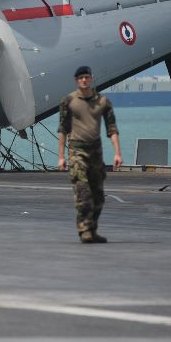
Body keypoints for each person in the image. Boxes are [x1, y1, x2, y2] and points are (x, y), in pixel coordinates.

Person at [57, 65, 122, 243]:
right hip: (77, 151)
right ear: (76, 81)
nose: (84, 80)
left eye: (86, 77)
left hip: (96, 152)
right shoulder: (68, 101)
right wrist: (61, 157)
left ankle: (92, 230)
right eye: (81, 78)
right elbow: (63, 130)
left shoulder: (103, 102)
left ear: (91, 79)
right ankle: (84, 230)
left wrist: (117, 153)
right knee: (83, 192)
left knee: (98, 197)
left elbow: (112, 129)